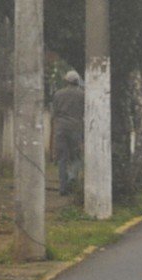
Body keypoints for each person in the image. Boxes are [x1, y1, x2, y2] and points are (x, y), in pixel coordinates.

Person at [53, 69, 86, 198]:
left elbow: (54, 113)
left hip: (60, 128)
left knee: (62, 159)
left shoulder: (57, 94)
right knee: (76, 157)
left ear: (66, 81)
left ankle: (63, 188)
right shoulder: (82, 95)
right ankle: (72, 178)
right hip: (76, 128)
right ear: (77, 82)